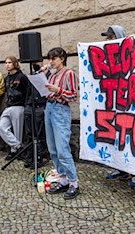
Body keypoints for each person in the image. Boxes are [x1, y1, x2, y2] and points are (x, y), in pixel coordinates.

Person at [101, 25, 135, 189]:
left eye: (111, 37)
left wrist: (132, 43)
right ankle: (122, 170)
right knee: (118, 139)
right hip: (115, 104)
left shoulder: (132, 53)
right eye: (108, 38)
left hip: (131, 106)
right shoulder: (109, 57)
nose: (108, 40)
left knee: (133, 140)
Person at [44, 47, 80, 200]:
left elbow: (73, 95)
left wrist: (57, 90)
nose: (51, 61)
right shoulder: (52, 75)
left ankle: (74, 182)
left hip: (60, 109)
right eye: (50, 58)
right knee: (52, 148)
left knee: (62, 148)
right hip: (49, 107)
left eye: (53, 58)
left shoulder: (69, 73)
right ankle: (63, 179)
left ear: (62, 58)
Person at [0, 56, 29, 160]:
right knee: (2, 127)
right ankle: (18, 146)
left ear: (15, 64)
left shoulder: (21, 77)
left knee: (18, 131)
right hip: (9, 106)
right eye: (6, 63)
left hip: (19, 106)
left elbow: (27, 92)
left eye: (9, 62)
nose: (7, 65)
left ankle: (14, 151)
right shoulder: (6, 78)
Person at [23, 62, 49, 168]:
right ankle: (30, 156)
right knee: (29, 133)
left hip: (40, 106)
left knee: (38, 133)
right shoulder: (33, 75)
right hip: (30, 105)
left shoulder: (48, 76)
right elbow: (27, 92)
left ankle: (39, 157)